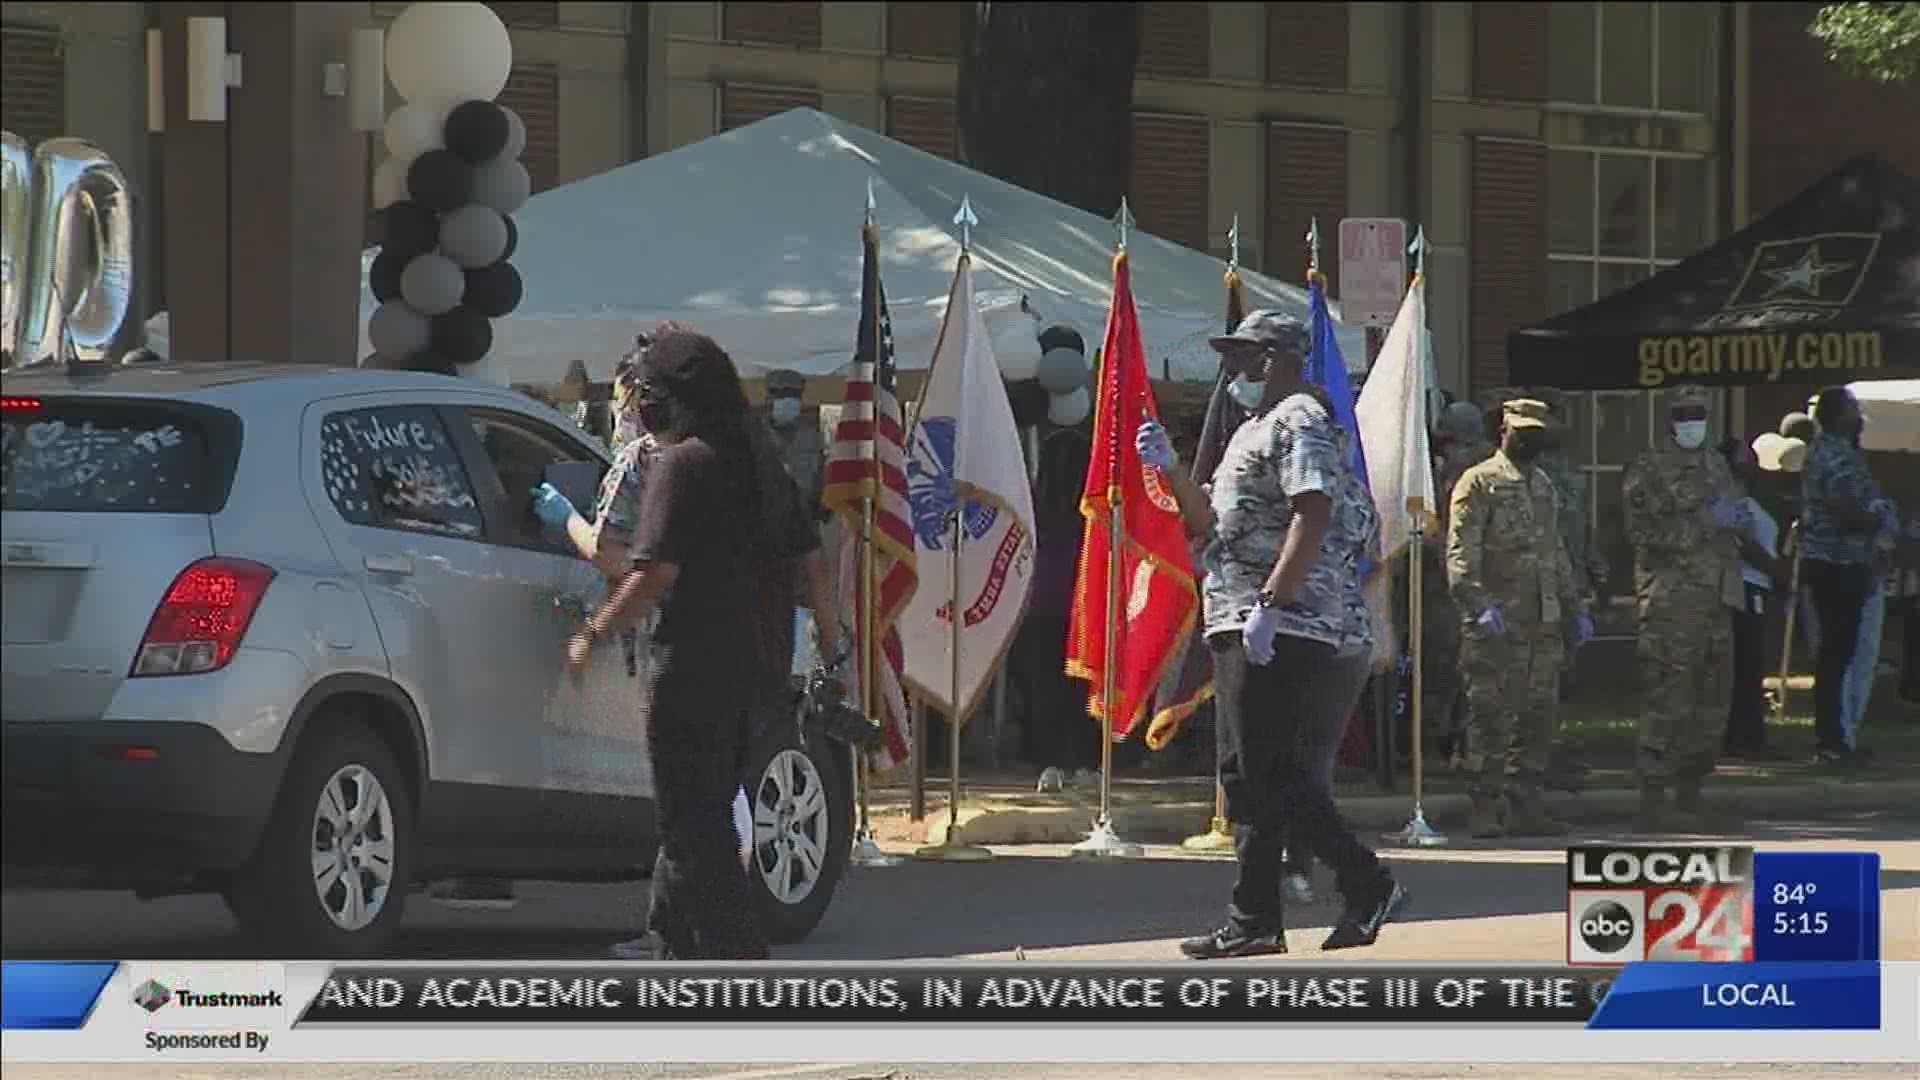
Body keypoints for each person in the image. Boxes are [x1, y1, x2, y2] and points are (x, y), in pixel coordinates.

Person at [561, 328, 840, 960]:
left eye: (650, 395)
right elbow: (811, 559)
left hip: (690, 667)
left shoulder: (682, 464)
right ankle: (672, 941)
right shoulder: (758, 456)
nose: (643, 409)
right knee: (706, 805)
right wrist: (833, 641)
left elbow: (653, 573)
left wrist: (593, 633)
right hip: (755, 668)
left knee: (693, 821)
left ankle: (734, 953)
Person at [1146, 309, 1405, 960]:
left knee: (1269, 769)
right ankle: (1260, 916)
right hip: (1241, 612)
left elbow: (1312, 510)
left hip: (1282, 618)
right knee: (1248, 771)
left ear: (1275, 360)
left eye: (1243, 357)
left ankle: (1360, 882)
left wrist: (1271, 604)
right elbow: (1208, 516)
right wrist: (1170, 469)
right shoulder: (1253, 429)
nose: (1231, 371)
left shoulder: (1299, 418)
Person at [1446, 399, 1591, 839]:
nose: (1529, 439)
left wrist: (1574, 606)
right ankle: (1485, 805)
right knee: (1491, 714)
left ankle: (1527, 803)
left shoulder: (1542, 484)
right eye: (1522, 431)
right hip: (1498, 623)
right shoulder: (1479, 483)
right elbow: (1460, 553)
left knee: (1538, 715)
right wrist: (1477, 604)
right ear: (1503, 431)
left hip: (1542, 622)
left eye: (1537, 432)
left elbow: (1556, 552)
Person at [1621, 386, 1748, 831]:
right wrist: (1701, 527)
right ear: (1671, 420)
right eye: (1685, 414)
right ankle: (1654, 801)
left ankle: (1690, 796)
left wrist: (1737, 519)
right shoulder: (1649, 469)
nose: (1693, 422)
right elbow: (1640, 534)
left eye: (1700, 413)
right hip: (1672, 602)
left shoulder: (1715, 462)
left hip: (1717, 596)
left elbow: (1729, 516)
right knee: (1668, 698)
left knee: (1712, 700)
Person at [1798, 387, 1887, 766]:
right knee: (1837, 652)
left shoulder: (1833, 450)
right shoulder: (1834, 453)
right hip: (1837, 562)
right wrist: (1876, 519)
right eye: (1853, 408)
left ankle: (1839, 737)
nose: (1859, 415)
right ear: (1838, 414)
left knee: (1839, 651)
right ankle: (1832, 741)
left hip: (1838, 560)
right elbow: (1842, 506)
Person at [1722, 436, 1789, 760]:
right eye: (1744, 458)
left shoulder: (1746, 499)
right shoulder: (1729, 501)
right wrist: (1776, 570)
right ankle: (1742, 737)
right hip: (1745, 588)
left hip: (1759, 587)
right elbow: (1743, 544)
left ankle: (1749, 732)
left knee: (1753, 663)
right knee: (1746, 664)